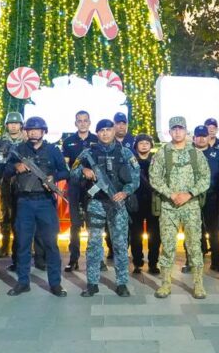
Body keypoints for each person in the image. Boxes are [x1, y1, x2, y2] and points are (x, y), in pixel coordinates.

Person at [73, 119, 140, 296]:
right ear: (97, 133)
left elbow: (135, 178)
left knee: (120, 244)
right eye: (101, 130)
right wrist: (84, 171)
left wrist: (125, 192)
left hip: (117, 203)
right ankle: (92, 283)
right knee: (94, 244)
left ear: (113, 131)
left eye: (108, 130)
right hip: (96, 203)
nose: (105, 133)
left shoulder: (125, 152)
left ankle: (122, 283)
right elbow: (73, 172)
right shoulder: (88, 153)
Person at [5, 117, 69, 297]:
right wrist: (16, 166)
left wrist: (53, 177)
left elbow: (66, 171)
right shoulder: (18, 149)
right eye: (30, 130)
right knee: (23, 244)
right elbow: (5, 170)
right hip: (24, 201)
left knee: (51, 244)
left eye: (37, 129)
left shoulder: (52, 150)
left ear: (44, 131)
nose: (33, 132)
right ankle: (23, 282)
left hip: (45, 201)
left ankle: (55, 284)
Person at [149, 117, 211, 298]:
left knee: (194, 246)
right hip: (169, 207)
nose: (177, 132)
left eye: (180, 129)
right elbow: (154, 178)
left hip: (191, 206)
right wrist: (171, 194)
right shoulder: (162, 153)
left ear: (186, 131)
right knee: (168, 246)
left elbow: (205, 178)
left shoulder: (196, 154)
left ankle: (198, 284)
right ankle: (165, 284)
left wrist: (189, 194)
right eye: (174, 129)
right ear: (169, 132)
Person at [61, 110, 98, 272]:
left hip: (94, 189)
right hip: (75, 188)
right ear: (75, 123)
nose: (82, 123)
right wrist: (81, 171)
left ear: (89, 122)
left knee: (93, 225)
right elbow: (65, 166)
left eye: (85, 120)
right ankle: (73, 259)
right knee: (75, 225)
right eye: (79, 121)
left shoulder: (97, 140)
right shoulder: (68, 142)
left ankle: (95, 259)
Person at [194, 125, 219, 273]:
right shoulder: (187, 154)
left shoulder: (217, 154)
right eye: (199, 136)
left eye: (204, 136)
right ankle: (193, 260)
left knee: (214, 231)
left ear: (209, 137)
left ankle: (215, 261)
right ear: (194, 138)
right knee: (193, 230)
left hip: (212, 197)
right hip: (191, 198)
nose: (202, 139)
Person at [0, 111, 26, 259]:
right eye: (11, 123)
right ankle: (5, 244)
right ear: (6, 125)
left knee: (23, 215)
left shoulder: (26, 141)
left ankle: (23, 245)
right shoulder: (0, 141)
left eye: (16, 123)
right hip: (5, 181)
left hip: (23, 181)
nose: (13, 126)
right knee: (5, 214)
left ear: (21, 125)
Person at [129, 134, 161, 275]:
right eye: (141, 143)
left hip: (153, 201)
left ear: (151, 145)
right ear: (136, 145)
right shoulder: (130, 160)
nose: (144, 145)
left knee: (155, 234)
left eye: (147, 143)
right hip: (135, 201)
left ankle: (153, 263)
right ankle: (137, 262)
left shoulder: (157, 160)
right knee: (136, 234)